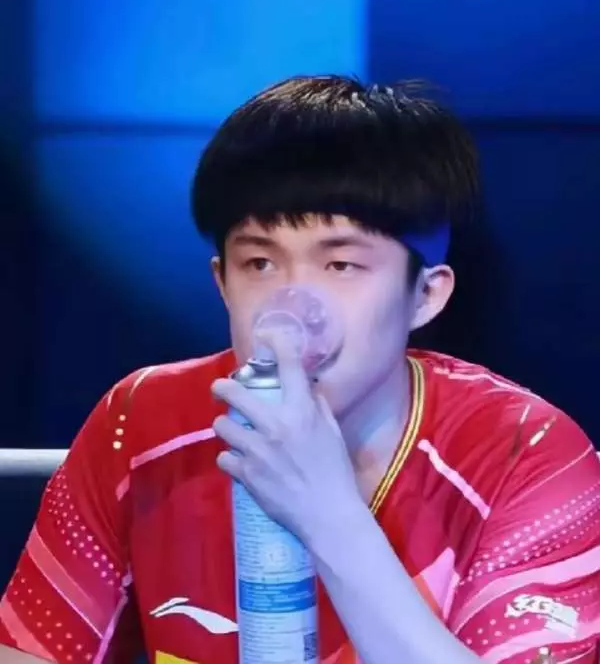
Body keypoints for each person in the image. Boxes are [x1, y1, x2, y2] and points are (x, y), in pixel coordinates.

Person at [1, 75, 599, 664]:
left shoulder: (525, 454)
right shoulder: (140, 422)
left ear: (425, 294)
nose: (292, 310)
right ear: (222, 283)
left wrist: (328, 516)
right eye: (260, 263)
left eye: (341, 266)